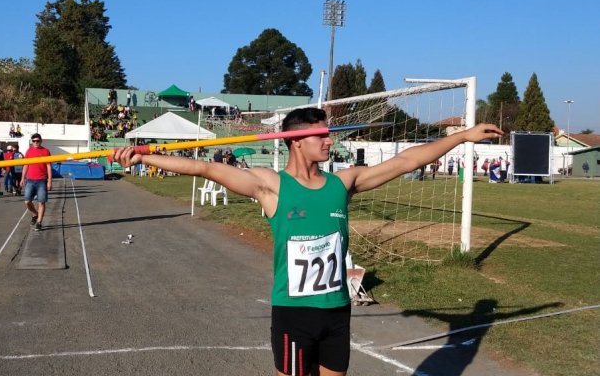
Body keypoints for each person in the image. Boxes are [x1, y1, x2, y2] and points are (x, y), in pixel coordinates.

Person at [113, 108, 502, 376]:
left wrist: (463, 137)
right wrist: (145, 157)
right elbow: (203, 167)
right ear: (297, 141)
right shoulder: (271, 186)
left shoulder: (342, 183)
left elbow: (407, 162)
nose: (329, 141)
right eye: (321, 135)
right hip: (294, 313)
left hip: (336, 311)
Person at [21, 133, 52, 231]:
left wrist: (49, 181)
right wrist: (22, 178)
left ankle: (39, 222)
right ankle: (35, 214)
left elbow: (48, 167)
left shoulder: (46, 151)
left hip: (42, 180)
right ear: (31, 142)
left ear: (41, 141)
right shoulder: (29, 151)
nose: (35, 143)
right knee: (27, 201)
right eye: (33, 141)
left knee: (41, 202)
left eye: (37, 141)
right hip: (30, 180)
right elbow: (26, 165)